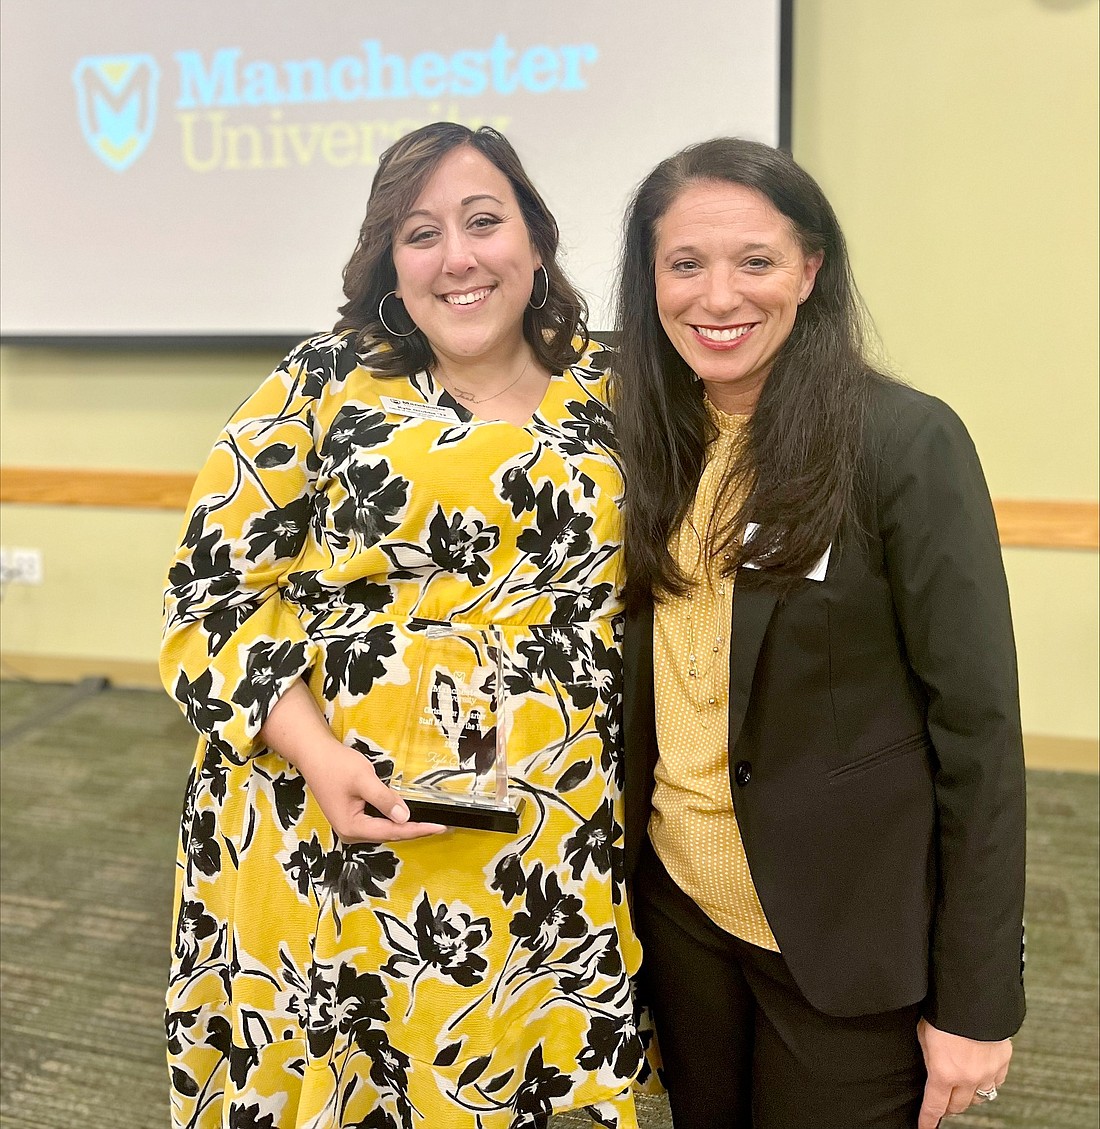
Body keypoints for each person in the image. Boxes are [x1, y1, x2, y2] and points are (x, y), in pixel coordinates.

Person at [160, 123, 652, 1129]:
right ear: (389, 261)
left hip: (545, 844)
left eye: (483, 220)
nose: (457, 256)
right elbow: (208, 602)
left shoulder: (618, 391)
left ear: (534, 240)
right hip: (324, 834)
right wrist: (314, 754)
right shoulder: (320, 383)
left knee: (516, 1074)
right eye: (420, 233)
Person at [613, 137, 1026, 1129]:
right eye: (684, 264)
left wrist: (974, 1002)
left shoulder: (900, 442)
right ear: (650, 279)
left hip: (841, 943)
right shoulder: (637, 443)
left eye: (754, 261)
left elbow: (977, 737)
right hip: (680, 918)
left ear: (809, 270)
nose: (717, 297)